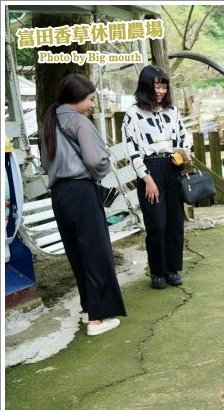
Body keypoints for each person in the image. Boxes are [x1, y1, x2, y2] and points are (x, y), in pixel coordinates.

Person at [41, 74, 126, 337]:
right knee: (96, 253)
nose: (92, 105)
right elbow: (95, 159)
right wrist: (103, 163)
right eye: (90, 100)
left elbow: (46, 163)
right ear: (77, 99)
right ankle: (97, 320)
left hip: (60, 195)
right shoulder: (79, 121)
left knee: (78, 255)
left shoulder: (49, 121)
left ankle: (89, 308)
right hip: (81, 191)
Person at [122, 65, 191, 290]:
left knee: (174, 224)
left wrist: (183, 153)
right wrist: (147, 179)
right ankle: (157, 272)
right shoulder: (133, 113)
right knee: (157, 225)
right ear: (145, 87)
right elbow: (131, 150)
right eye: (156, 86)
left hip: (172, 167)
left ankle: (173, 269)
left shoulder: (172, 111)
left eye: (164, 86)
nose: (161, 91)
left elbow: (183, 136)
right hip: (150, 170)